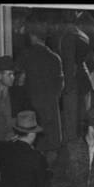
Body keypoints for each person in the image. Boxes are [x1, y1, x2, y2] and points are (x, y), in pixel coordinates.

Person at [16, 27, 65, 155]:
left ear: (33, 36)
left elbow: (19, 82)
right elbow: (60, 86)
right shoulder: (55, 58)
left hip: (30, 107)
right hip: (50, 108)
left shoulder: (25, 55)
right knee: (49, 146)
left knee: (30, 147)